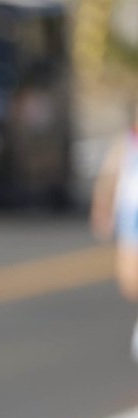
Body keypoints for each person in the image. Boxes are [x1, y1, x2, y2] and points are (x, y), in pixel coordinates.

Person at [90, 110, 138, 359]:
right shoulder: (127, 141)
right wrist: (101, 209)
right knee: (130, 281)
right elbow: (108, 176)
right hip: (131, 215)